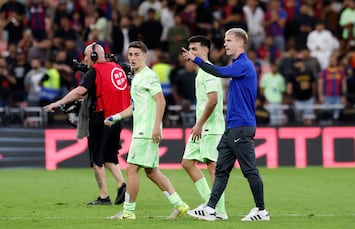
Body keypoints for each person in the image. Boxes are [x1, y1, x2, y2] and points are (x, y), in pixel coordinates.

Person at [182, 27, 270, 221]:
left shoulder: (244, 65)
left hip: (241, 126)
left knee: (249, 171)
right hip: (231, 128)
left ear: (240, 42)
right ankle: (211, 209)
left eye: (228, 41)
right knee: (221, 171)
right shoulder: (239, 65)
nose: (225, 44)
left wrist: (196, 59)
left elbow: (218, 71)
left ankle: (261, 210)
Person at [105, 41, 189, 220]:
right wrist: (116, 117)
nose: (133, 58)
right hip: (142, 130)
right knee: (152, 172)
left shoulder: (149, 76)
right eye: (130, 55)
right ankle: (180, 205)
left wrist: (156, 126)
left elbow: (161, 100)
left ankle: (128, 212)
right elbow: (135, 107)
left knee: (131, 169)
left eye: (137, 54)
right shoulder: (137, 78)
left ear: (145, 56)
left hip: (146, 131)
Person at [43, 42, 130, 206]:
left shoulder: (94, 72)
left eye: (86, 56)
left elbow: (79, 91)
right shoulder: (116, 67)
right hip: (117, 118)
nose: (84, 59)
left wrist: (60, 103)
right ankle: (121, 185)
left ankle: (103, 196)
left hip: (100, 119)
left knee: (96, 160)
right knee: (110, 157)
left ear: (94, 56)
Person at [181, 35, 227, 220]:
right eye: (189, 49)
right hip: (201, 127)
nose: (191, 52)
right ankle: (210, 204)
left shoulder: (209, 72)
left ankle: (219, 211)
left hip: (211, 127)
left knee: (213, 168)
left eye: (195, 49)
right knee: (187, 163)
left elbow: (213, 99)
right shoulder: (201, 71)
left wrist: (199, 123)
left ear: (205, 51)